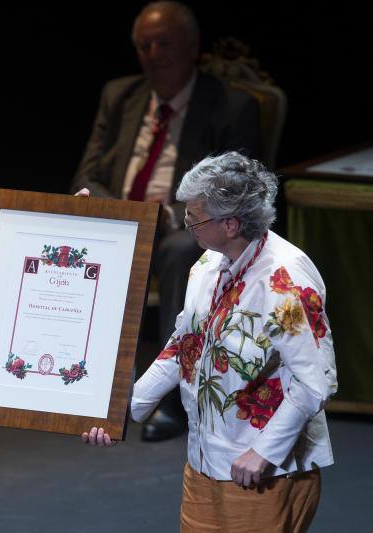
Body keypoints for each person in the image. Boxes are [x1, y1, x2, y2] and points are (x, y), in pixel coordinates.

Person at [83, 152, 337, 532]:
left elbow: (316, 380)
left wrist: (263, 452)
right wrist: (121, 410)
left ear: (230, 224)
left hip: (265, 471)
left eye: (194, 217)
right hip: (205, 462)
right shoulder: (207, 264)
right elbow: (184, 345)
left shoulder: (286, 280)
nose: (187, 225)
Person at [71, 1, 262, 442]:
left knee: (180, 253)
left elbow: (236, 188)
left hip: (187, 225)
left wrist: (171, 214)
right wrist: (127, 214)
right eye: (144, 46)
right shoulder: (120, 95)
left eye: (164, 43)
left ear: (192, 46)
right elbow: (86, 174)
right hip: (121, 221)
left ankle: (173, 400)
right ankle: (78, 382)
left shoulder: (231, 106)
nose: (154, 54)